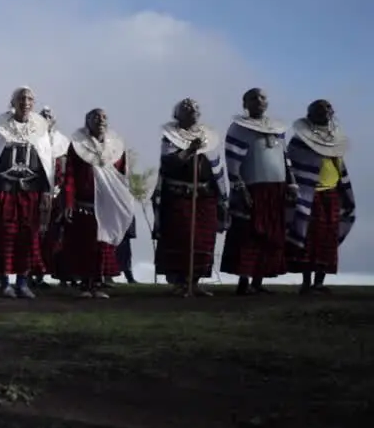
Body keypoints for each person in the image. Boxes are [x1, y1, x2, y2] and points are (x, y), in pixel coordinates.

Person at [220, 88, 295, 295]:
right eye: (253, 98)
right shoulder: (238, 129)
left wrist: (292, 183)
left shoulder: (278, 129)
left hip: (276, 189)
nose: (259, 101)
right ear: (245, 103)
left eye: (262, 97)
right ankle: (244, 281)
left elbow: (285, 159)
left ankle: (259, 281)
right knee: (249, 234)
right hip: (253, 188)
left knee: (271, 235)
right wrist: (240, 188)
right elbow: (232, 162)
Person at [0, 87, 55, 298]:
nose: (26, 102)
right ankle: (5, 282)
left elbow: (45, 164)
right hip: (6, 191)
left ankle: (23, 283)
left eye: (30, 99)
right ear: (12, 102)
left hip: (30, 192)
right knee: (5, 236)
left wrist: (46, 192)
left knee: (28, 237)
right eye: (21, 99)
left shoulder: (40, 131)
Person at [152, 98, 227, 296]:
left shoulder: (208, 137)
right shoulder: (170, 138)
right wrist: (190, 151)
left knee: (203, 239)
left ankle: (194, 282)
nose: (191, 109)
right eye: (185, 108)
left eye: (194, 107)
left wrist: (220, 195)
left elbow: (216, 167)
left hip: (204, 196)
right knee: (182, 238)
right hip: (179, 196)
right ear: (177, 114)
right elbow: (169, 163)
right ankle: (179, 283)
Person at [61, 109, 134, 298]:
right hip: (84, 204)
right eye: (95, 117)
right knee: (86, 244)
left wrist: (123, 200)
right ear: (87, 122)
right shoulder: (77, 146)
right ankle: (86, 284)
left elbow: (122, 176)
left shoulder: (116, 147)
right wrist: (68, 202)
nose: (100, 120)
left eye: (103, 117)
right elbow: (69, 175)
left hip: (108, 203)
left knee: (103, 245)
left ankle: (99, 283)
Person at [286, 99, 356, 294]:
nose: (324, 111)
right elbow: (291, 166)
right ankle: (306, 282)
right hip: (310, 194)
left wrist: (344, 192)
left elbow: (339, 166)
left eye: (327, 108)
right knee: (309, 237)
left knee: (328, 238)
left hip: (332, 192)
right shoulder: (299, 141)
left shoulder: (335, 140)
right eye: (318, 109)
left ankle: (319, 282)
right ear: (310, 115)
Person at [36, 107, 72, 287]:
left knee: (58, 235)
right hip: (37, 195)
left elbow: (66, 168)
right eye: (43, 116)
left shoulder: (62, 141)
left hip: (57, 194)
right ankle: (35, 274)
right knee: (37, 234)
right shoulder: (33, 138)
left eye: (49, 116)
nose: (46, 119)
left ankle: (63, 275)